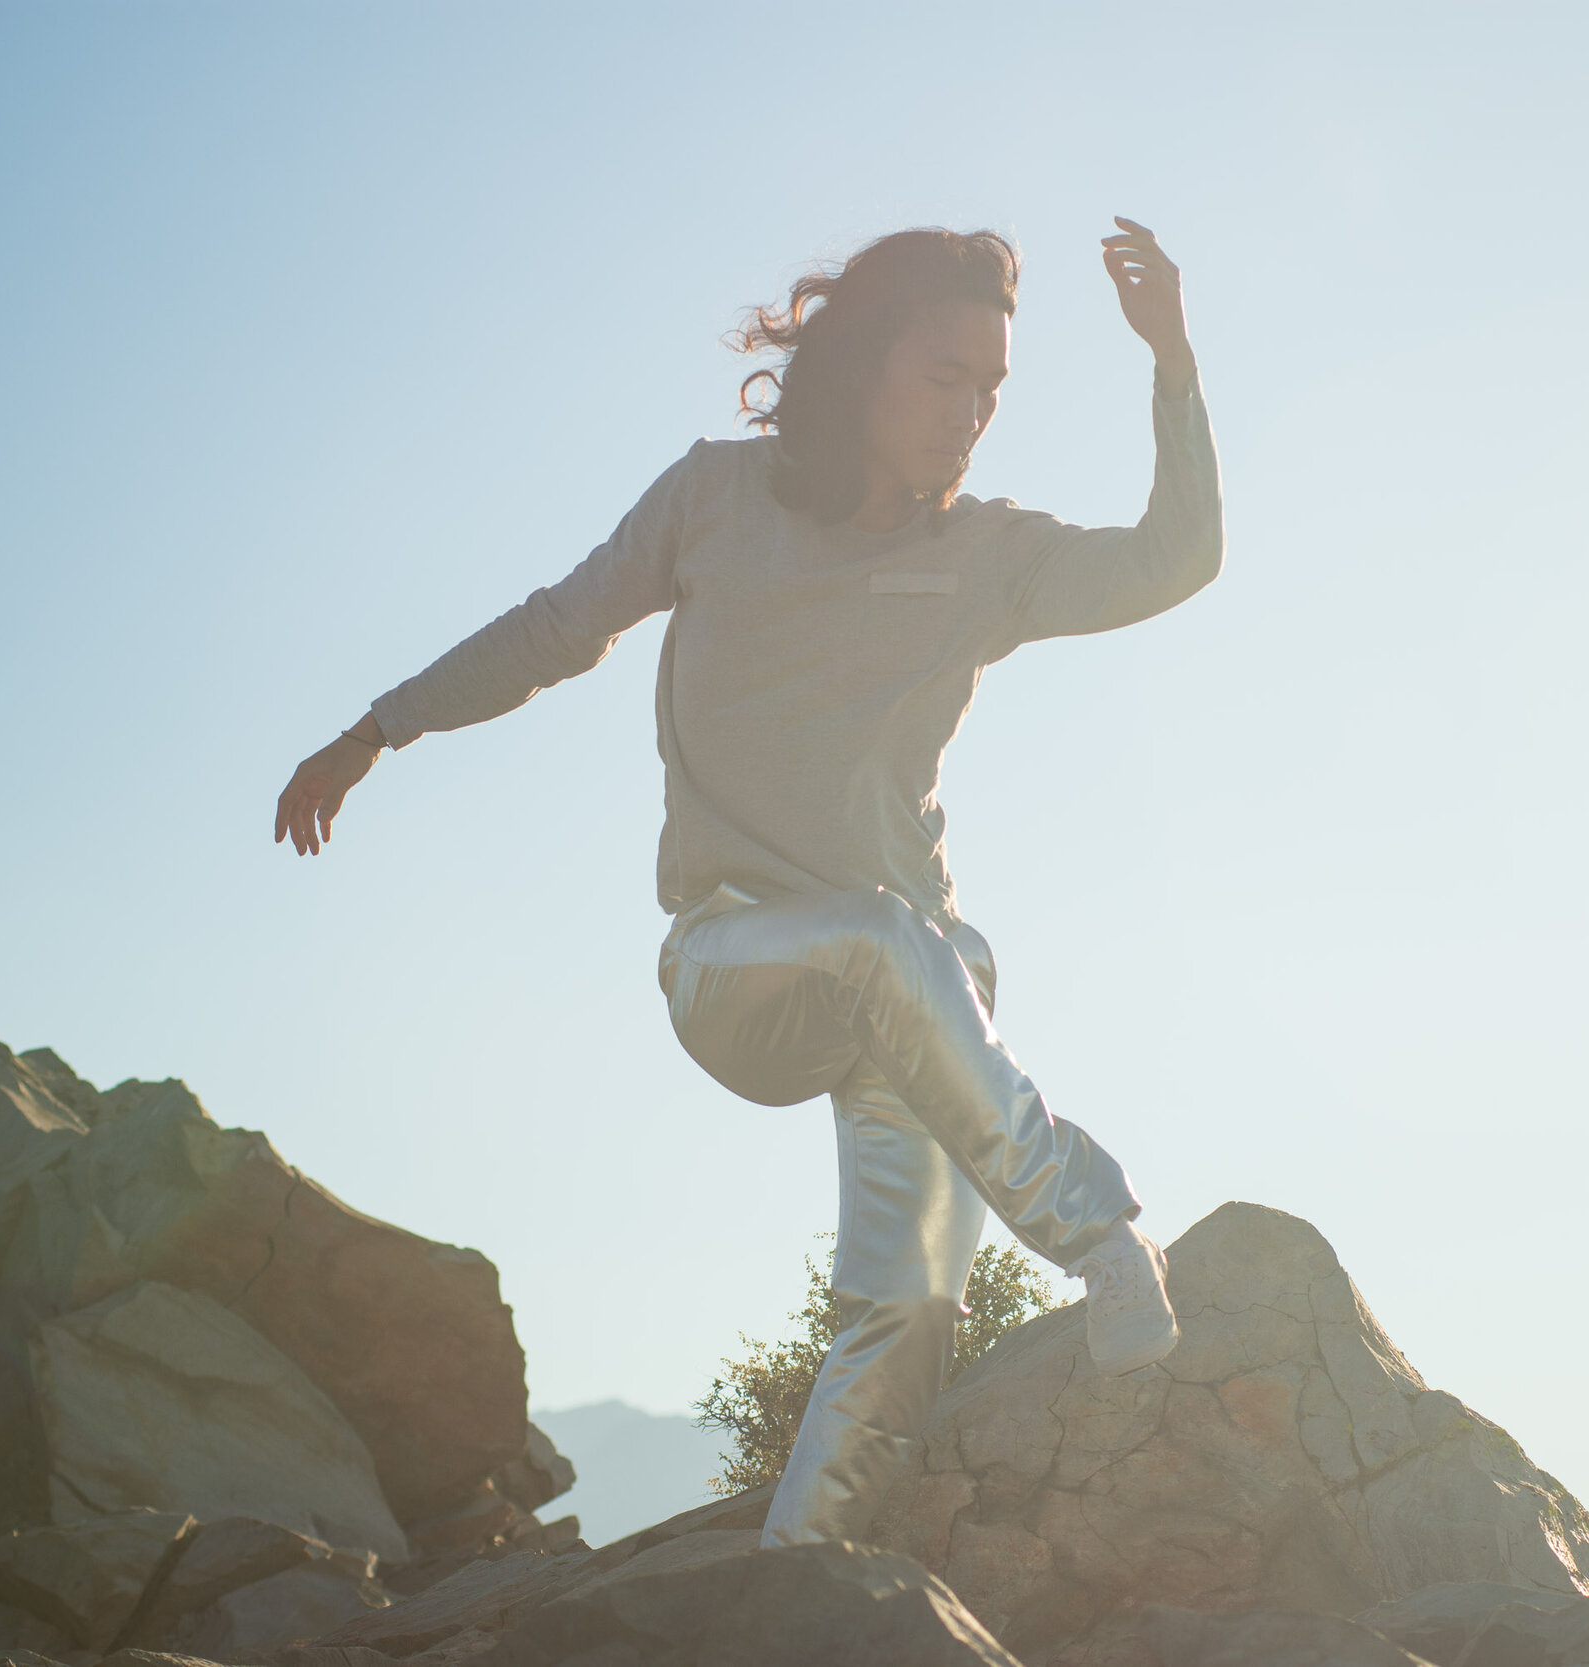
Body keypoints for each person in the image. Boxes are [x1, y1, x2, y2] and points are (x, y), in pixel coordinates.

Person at [272, 218, 1223, 1547]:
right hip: (734, 965)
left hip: (919, 1003)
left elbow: (1176, 560)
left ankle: (802, 1580)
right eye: (944, 377)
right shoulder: (714, 501)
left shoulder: (992, 555)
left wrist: (1171, 360)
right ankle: (1102, 1236)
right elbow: (555, 630)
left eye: (993, 389)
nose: (970, 414)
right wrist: (378, 729)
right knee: (891, 941)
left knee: (907, 1310)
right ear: (861, 366)